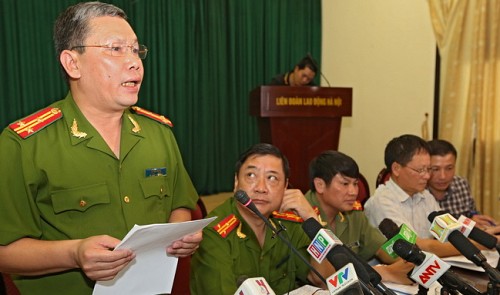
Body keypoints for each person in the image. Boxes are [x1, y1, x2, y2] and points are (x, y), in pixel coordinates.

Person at [0, 2, 201, 294]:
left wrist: (181, 232)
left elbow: (180, 204)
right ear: (73, 63)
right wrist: (74, 253)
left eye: (135, 50)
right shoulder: (24, 144)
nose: (135, 62)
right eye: (116, 49)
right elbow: (5, 252)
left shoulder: (160, 133)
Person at [190, 143, 333, 294]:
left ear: (285, 187)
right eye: (251, 176)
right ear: (236, 182)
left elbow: (323, 279)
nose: (261, 188)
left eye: (272, 178)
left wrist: (313, 221)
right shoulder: (214, 234)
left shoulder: (287, 223)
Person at [305, 150, 413, 284]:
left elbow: (380, 248)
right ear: (320, 185)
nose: (353, 192)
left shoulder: (353, 213)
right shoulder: (300, 218)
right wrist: (383, 272)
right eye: (345, 184)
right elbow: (323, 278)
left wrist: (405, 259)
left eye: (355, 184)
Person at [364, 134, 462, 257]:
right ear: (396, 169)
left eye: (428, 169)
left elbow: (446, 232)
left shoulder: (425, 195)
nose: (427, 176)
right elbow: (417, 246)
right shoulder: (381, 202)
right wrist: (474, 246)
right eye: (420, 170)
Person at [427, 139, 498, 228]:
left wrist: (481, 221)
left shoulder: (461, 184)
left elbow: (471, 214)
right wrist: (465, 224)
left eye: (449, 168)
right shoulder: (419, 192)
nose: (443, 176)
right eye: (435, 169)